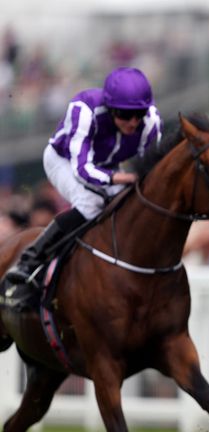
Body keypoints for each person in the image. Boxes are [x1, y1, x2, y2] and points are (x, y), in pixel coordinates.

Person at [5, 67, 162, 302]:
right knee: (90, 203)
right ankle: (29, 262)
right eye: (124, 114)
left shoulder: (151, 122)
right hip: (64, 160)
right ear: (110, 108)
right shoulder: (84, 109)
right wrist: (119, 178)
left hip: (108, 166)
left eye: (138, 114)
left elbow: (150, 171)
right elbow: (82, 169)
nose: (132, 122)